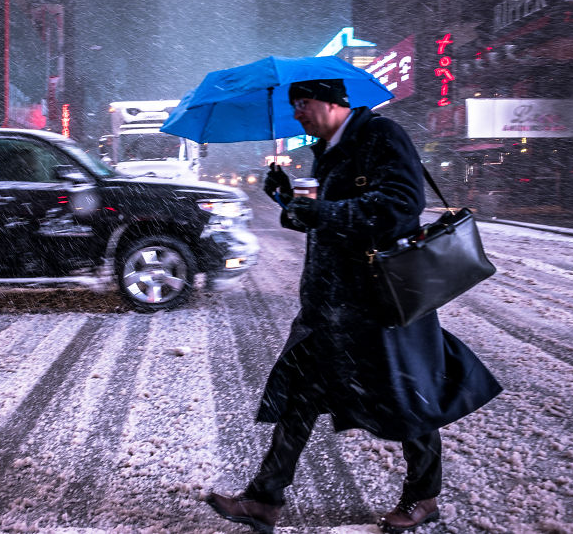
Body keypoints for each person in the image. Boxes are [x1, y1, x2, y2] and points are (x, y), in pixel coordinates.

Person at [206, 79, 502, 534]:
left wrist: (322, 212)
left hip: (379, 300)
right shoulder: (327, 150)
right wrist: (285, 199)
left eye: (303, 104)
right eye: (294, 106)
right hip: (330, 304)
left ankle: (424, 496)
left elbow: (400, 205)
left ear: (333, 102)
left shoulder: (381, 135)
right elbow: (323, 219)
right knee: (300, 398)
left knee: (408, 395)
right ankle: (265, 499)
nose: (298, 114)